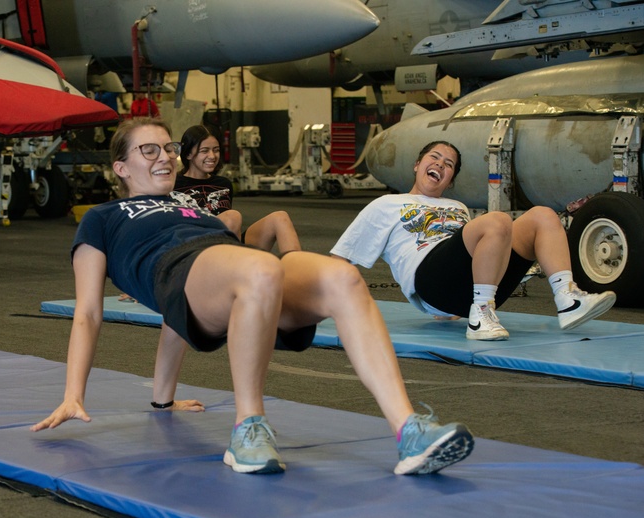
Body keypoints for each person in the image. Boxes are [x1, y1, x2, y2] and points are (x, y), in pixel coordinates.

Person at [32, 117, 474, 478]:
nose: (164, 156)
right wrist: (74, 393)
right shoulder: (102, 218)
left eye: (168, 148)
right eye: (149, 150)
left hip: (233, 268)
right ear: (122, 167)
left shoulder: (192, 207)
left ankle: (408, 431)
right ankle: (249, 429)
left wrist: (163, 400)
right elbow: (89, 311)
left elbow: (172, 324)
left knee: (340, 277)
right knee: (260, 267)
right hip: (185, 271)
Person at [330, 140, 617, 340]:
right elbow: (341, 256)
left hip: (468, 290)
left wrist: (448, 313)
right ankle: (480, 315)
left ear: (450, 179)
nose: (440, 165)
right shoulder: (387, 204)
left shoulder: (459, 208)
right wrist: (336, 303)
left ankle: (567, 300)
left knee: (541, 215)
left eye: (449, 164)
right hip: (430, 281)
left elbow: (472, 253)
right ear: (418, 165)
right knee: (499, 220)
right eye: (434, 158)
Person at [171, 124, 301, 255]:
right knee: (233, 216)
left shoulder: (223, 184)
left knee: (280, 217)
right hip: (191, 247)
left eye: (216, 150)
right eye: (204, 151)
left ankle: (296, 268)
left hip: (228, 244)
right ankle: (230, 269)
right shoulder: (173, 184)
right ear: (188, 154)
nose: (212, 156)